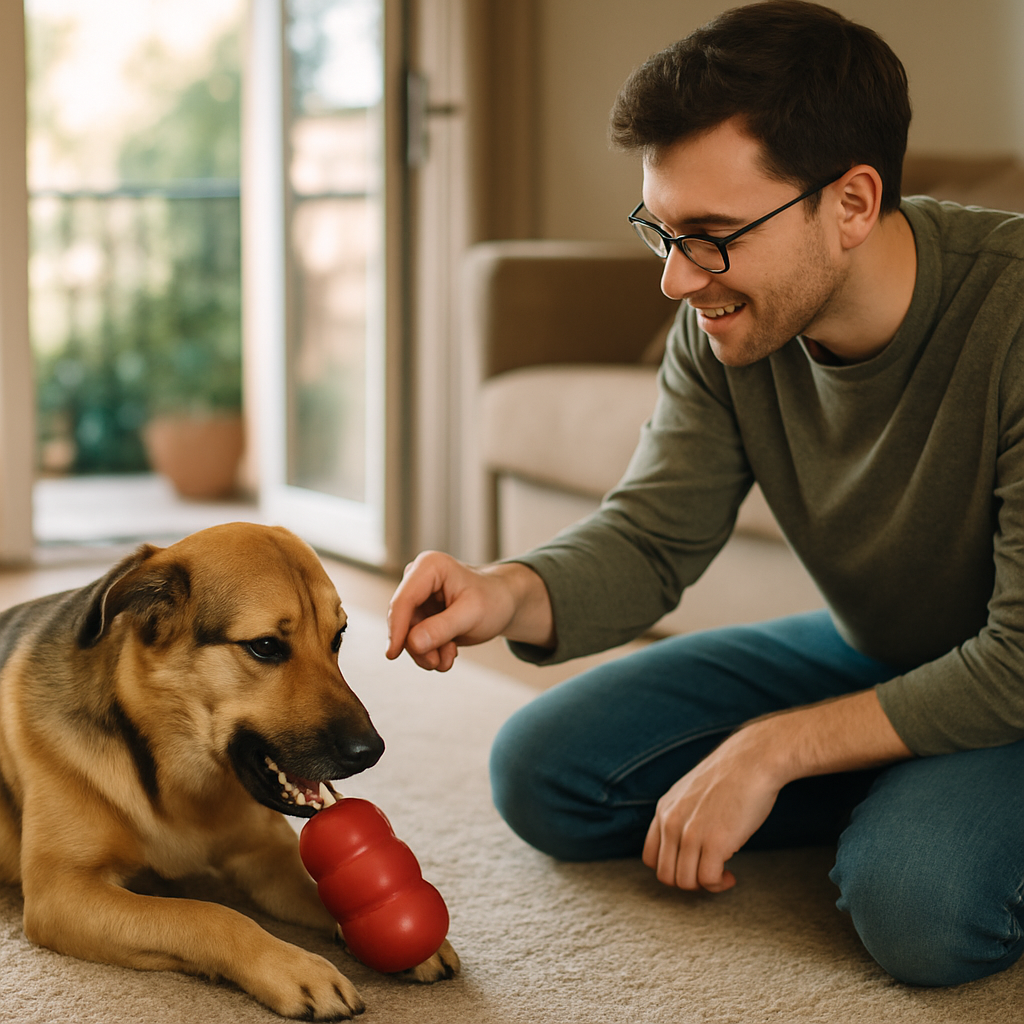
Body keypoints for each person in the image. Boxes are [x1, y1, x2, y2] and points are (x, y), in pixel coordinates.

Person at [386, 0, 1024, 988]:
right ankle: (901, 770)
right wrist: (504, 591)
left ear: (852, 203)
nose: (677, 282)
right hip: (884, 645)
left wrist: (775, 750)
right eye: (661, 231)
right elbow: (651, 535)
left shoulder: (1012, 313)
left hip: (1015, 675)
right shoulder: (728, 325)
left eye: (713, 234)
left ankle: (908, 797)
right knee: (542, 771)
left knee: (919, 905)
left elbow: (1016, 659)